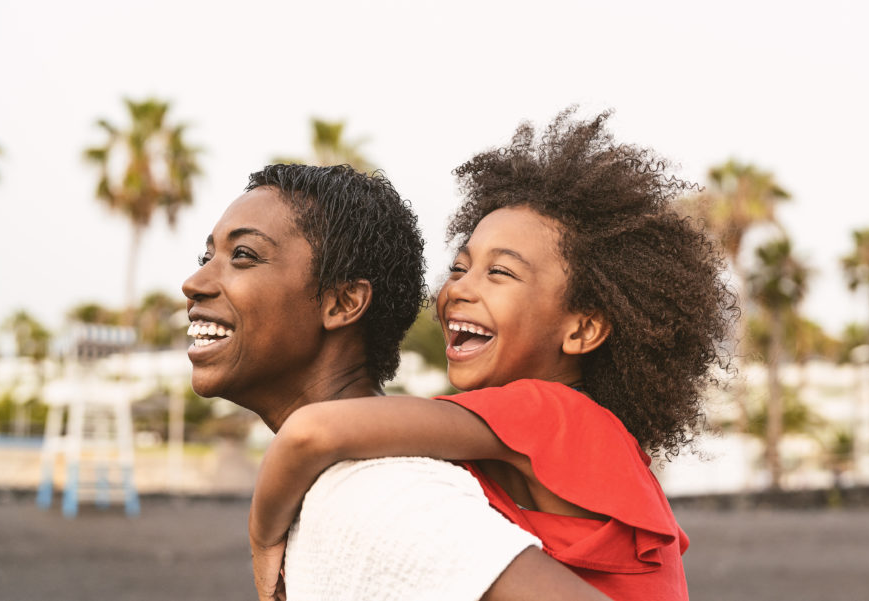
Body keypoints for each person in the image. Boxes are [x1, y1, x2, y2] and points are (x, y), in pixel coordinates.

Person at [250, 110, 737, 600]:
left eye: (500, 273)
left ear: (583, 328)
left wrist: (263, 539)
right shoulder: (571, 431)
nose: (459, 287)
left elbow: (312, 432)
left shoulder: (547, 412)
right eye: (460, 267)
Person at [182, 163, 610, 601]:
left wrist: (261, 536)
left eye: (243, 255)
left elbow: (309, 434)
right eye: (206, 256)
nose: (193, 283)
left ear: (344, 302)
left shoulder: (390, 500)